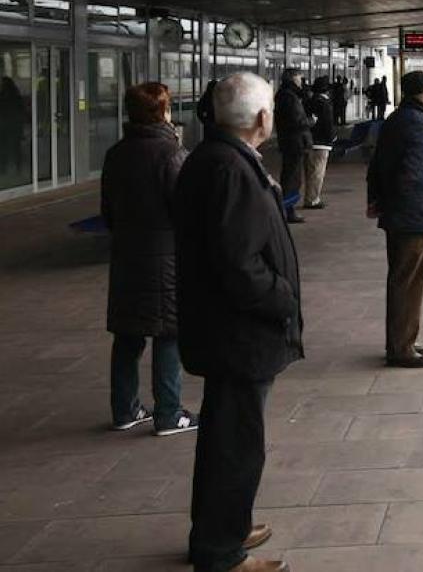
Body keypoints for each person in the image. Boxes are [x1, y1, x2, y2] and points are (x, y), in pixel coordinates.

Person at [175, 72, 303, 572]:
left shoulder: (217, 160)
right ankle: (220, 552)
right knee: (235, 445)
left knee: (227, 438)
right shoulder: (229, 168)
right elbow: (238, 264)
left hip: (226, 330)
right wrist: (282, 298)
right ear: (264, 119)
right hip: (239, 333)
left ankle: (225, 525)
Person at [101, 82, 197, 436]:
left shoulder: (116, 154)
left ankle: (124, 410)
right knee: (167, 332)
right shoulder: (171, 153)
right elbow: (186, 209)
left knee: (127, 335)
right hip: (166, 260)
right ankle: (169, 413)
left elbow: (107, 212)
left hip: (126, 257)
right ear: (163, 112)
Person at [367, 71, 423, 369]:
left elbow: (376, 164)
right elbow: (411, 172)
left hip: (403, 213)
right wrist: (401, 205)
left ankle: (405, 340)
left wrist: (376, 200)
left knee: (405, 278)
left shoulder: (398, 118)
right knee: (408, 280)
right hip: (413, 214)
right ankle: (401, 348)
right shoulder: (418, 123)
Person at [274, 69, 312, 224]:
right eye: (299, 77)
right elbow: (296, 120)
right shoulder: (289, 97)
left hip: (290, 141)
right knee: (292, 178)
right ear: (292, 78)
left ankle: (287, 208)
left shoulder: (286, 94)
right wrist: (310, 122)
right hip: (294, 142)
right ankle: (288, 210)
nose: (301, 80)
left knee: (291, 175)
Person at [303, 76, 335, 210]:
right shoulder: (325, 103)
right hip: (322, 143)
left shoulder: (308, 101)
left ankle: (309, 197)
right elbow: (328, 123)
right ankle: (313, 199)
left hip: (308, 140)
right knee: (318, 172)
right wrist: (333, 137)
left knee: (310, 171)